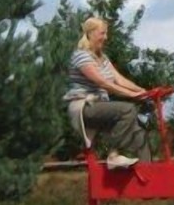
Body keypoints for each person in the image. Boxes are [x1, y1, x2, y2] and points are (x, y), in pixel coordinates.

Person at [63, 17, 153, 169]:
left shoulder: (102, 57)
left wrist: (142, 91)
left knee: (139, 133)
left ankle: (149, 175)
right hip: (85, 107)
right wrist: (131, 95)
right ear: (90, 34)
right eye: (102, 33)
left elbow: (119, 79)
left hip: (101, 106)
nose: (105, 37)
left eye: (106, 34)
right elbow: (103, 83)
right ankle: (113, 156)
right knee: (128, 109)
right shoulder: (81, 55)